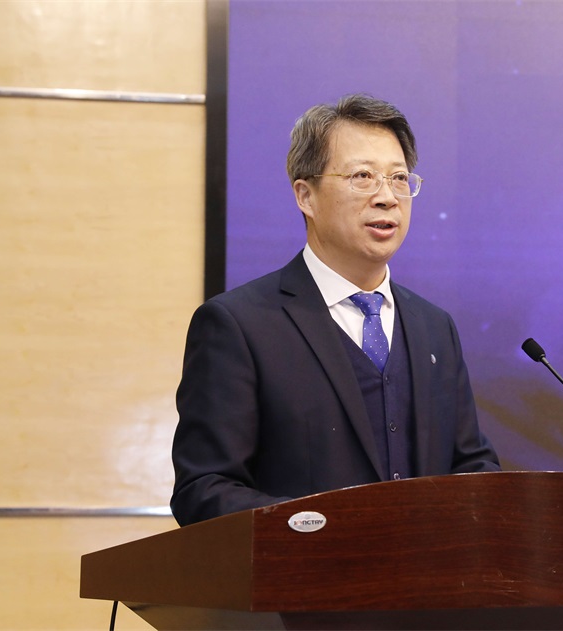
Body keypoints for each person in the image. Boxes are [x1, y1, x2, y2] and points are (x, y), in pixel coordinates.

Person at [170, 94, 500, 526]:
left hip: (426, 570)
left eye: (399, 178)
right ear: (306, 196)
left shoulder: (434, 327)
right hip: (304, 567)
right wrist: (325, 530)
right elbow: (205, 489)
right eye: (363, 176)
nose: (387, 197)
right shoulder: (239, 326)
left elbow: (472, 466)